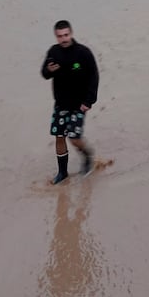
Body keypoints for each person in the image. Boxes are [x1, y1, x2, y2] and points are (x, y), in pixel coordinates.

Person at [41, 19, 99, 184]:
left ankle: (87, 155)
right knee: (59, 137)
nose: (63, 39)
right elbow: (44, 73)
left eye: (66, 35)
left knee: (74, 138)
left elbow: (94, 77)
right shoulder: (53, 52)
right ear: (56, 36)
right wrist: (48, 70)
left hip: (79, 104)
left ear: (71, 33)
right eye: (60, 36)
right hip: (60, 104)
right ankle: (62, 173)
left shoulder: (83, 53)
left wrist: (89, 101)